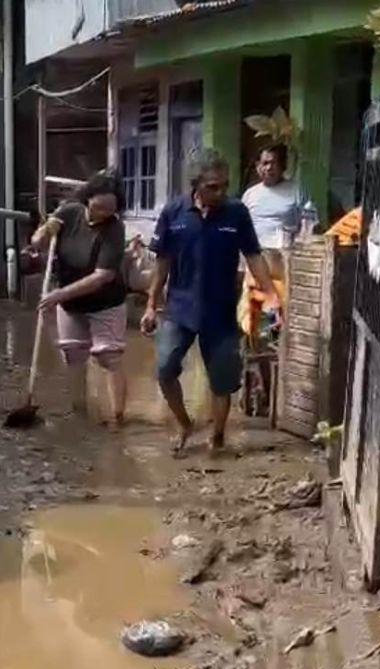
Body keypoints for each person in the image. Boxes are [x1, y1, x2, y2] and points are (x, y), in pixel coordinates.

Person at [142, 149, 281, 457]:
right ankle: (183, 424)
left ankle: (217, 437)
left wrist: (271, 294)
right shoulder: (173, 213)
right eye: (212, 187)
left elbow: (254, 257)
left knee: (222, 380)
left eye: (224, 186)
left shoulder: (237, 213)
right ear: (196, 185)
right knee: (164, 369)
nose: (220, 192)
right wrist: (151, 304)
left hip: (220, 310)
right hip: (179, 309)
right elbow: (162, 263)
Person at [31, 171, 128, 427]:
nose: (102, 214)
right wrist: (43, 233)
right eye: (98, 207)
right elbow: (37, 243)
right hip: (70, 305)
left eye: (109, 210)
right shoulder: (69, 212)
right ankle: (80, 415)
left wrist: (59, 294)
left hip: (105, 303)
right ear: (88, 199)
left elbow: (102, 276)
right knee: (73, 355)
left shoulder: (115, 229)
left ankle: (117, 419)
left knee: (109, 357)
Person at [240, 145, 307, 252]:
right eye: (265, 163)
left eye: (273, 163)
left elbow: (309, 222)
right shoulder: (249, 194)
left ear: (282, 166)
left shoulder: (297, 191)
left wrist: (301, 246)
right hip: (256, 256)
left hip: (285, 255)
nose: (269, 168)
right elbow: (241, 226)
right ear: (258, 167)